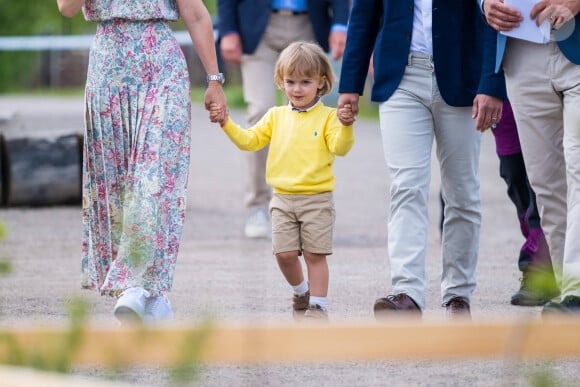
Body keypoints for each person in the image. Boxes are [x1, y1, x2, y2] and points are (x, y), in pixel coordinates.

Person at [56, 0, 227, 323]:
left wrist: (214, 81)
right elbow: (66, 8)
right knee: (116, 183)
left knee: (155, 177)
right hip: (108, 73)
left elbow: (196, 12)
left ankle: (133, 284)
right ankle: (153, 293)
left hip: (161, 72)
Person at [338, 1, 506, 319]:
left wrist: (492, 82)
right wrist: (350, 84)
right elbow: (364, 14)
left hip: (463, 77)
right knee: (406, 186)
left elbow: (494, 17)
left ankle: (459, 294)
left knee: (462, 192)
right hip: (400, 78)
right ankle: (407, 292)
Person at [210, 41, 355, 320]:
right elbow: (250, 141)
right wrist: (226, 123)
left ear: (321, 82)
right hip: (283, 198)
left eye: (305, 81)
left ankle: (319, 307)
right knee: (284, 255)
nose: (297, 89)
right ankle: (301, 291)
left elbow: (341, 148)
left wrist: (346, 126)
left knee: (315, 255)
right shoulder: (275, 116)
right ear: (280, 81)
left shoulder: (329, 118)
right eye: (290, 81)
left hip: (317, 199)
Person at [217, 0, 350, 239]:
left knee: (310, 113)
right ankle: (258, 204)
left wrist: (341, 22)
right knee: (261, 109)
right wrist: (228, 29)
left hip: (309, 22)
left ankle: (308, 205)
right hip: (258, 26)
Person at [481, 0, 580, 314]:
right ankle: (568, 289)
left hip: (576, 46)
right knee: (545, 183)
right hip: (521, 51)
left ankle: (576, 290)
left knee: (578, 169)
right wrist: (484, 3)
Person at [490, 101, 559, 306]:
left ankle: (537, 264)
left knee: (542, 177)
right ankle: (545, 252)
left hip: (551, 82)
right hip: (505, 90)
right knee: (513, 173)